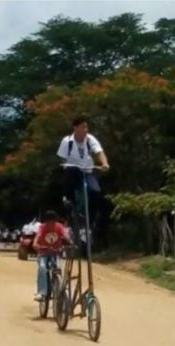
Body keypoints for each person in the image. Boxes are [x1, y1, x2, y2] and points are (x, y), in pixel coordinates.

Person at [56, 116, 110, 245]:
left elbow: (99, 152)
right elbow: (62, 158)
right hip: (73, 168)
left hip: (87, 169)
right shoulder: (67, 141)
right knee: (70, 182)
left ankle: (88, 222)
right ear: (75, 127)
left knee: (95, 191)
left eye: (86, 127)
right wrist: (66, 166)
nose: (85, 129)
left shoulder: (90, 139)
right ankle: (70, 202)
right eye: (83, 127)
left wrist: (105, 163)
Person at [32, 210, 72, 302]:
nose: (51, 223)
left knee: (58, 269)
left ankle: (60, 289)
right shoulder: (42, 227)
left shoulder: (59, 226)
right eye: (49, 221)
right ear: (46, 221)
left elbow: (65, 235)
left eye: (53, 221)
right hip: (43, 253)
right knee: (42, 268)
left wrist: (70, 241)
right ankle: (42, 293)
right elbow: (38, 236)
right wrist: (35, 243)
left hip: (56, 253)